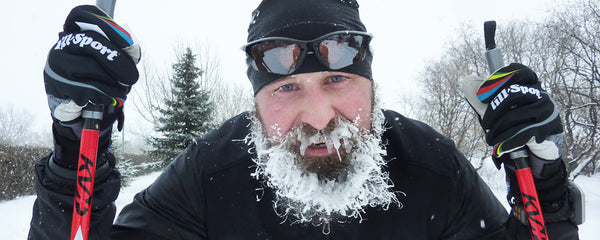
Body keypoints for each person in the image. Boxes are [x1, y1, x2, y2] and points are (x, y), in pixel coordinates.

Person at [29, 0, 580, 239]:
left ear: (371, 82)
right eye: (288, 87)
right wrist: (78, 145)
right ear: (256, 99)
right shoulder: (208, 175)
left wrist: (544, 189)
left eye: (338, 80)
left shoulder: (433, 171)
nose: (319, 118)